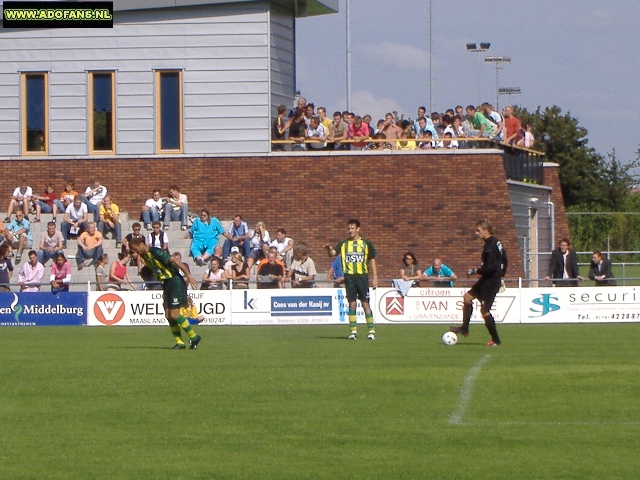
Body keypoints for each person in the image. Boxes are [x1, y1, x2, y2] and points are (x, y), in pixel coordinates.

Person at [129, 237, 201, 349]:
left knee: (174, 314)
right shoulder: (145, 256)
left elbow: (176, 261)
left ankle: (194, 337)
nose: (136, 252)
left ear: (142, 244)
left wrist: (188, 276)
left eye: (136, 249)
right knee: (168, 314)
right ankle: (180, 343)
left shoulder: (156, 252)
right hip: (166, 283)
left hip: (174, 281)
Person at [450, 220, 505, 347]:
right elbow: (503, 259)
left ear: (486, 231)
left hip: (491, 281)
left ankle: (496, 340)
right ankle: (464, 328)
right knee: (467, 297)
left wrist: (476, 270)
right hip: (487, 279)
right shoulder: (495, 242)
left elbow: (491, 267)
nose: (476, 233)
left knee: (485, 311)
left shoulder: (490, 246)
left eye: (478, 230)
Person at [325, 219, 378, 340]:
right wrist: (329, 249)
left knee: (365, 303)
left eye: (352, 228)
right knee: (352, 303)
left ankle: (371, 330)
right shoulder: (344, 243)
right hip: (349, 277)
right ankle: (353, 331)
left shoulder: (366, 243)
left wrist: (375, 278)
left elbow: (372, 260)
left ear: (358, 229)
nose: (350, 231)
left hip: (362, 277)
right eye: (349, 228)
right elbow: (333, 253)